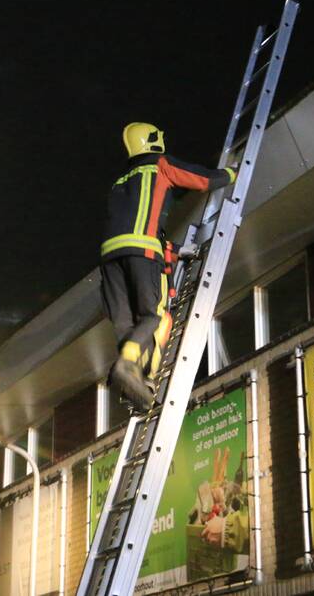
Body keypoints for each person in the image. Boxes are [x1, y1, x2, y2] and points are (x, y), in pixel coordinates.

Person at [101, 122, 236, 410]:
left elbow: (135, 222)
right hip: (142, 250)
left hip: (110, 258)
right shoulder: (158, 165)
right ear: (152, 141)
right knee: (153, 316)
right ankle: (128, 366)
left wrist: (173, 251)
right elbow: (201, 180)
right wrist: (230, 173)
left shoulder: (120, 182)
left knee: (126, 324)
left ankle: (134, 381)